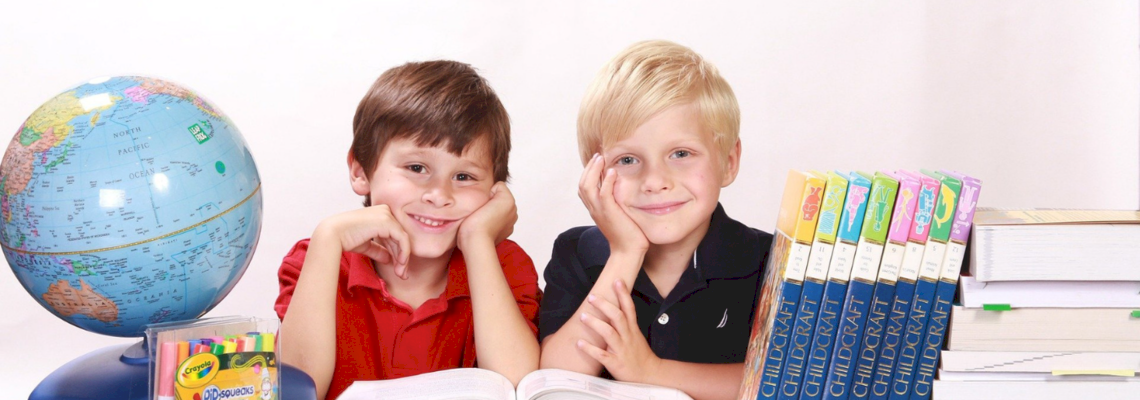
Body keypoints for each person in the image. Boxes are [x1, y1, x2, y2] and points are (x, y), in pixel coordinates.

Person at [275, 60, 540, 400]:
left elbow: (519, 388)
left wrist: (477, 240)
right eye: (417, 167)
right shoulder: (315, 260)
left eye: (464, 177)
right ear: (360, 170)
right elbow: (296, 391)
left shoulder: (503, 265)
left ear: (495, 190)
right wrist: (328, 238)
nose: (439, 195)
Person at [538, 40, 773, 400]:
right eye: (628, 160)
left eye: (681, 153)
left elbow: (777, 382)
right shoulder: (576, 252)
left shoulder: (766, 260)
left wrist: (651, 372)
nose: (654, 181)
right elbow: (555, 379)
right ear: (595, 172)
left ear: (728, 161)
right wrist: (624, 253)